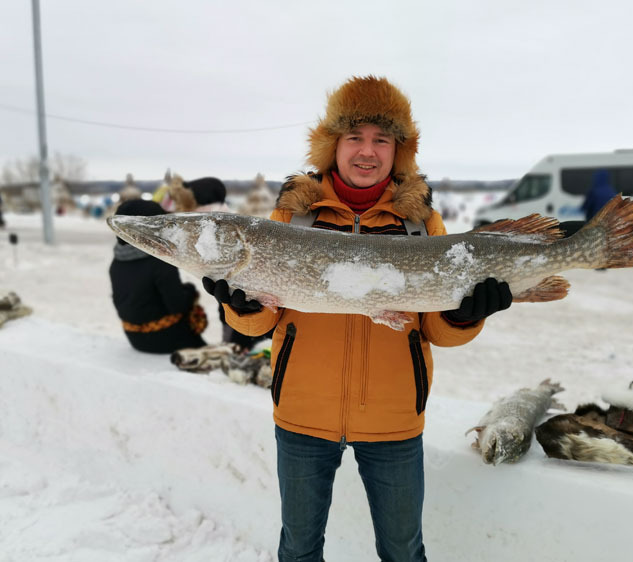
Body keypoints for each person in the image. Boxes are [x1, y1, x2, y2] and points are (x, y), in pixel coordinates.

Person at [202, 75, 512, 562]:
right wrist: (241, 310)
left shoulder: (420, 223)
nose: (367, 152)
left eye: (381, 140)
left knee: (403, 552)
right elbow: (262, 322)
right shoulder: (292, 217)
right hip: (302, 416)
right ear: (334, 145)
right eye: (355, 138)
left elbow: (434, 330)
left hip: (394, 420)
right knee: (299, 549)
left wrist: (462, 315)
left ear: (397, 151)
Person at [179, 176, 273, 351]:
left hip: (245, 304)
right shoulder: (225, 221)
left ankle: (237, 347)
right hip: (242, 303)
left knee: (231, 311)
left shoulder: (212, 226)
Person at [109, 199, 207, 354]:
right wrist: (189, 292)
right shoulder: (160, 261)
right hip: (165, 338)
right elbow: (177, 305)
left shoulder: (118, 260)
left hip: (134, 337)